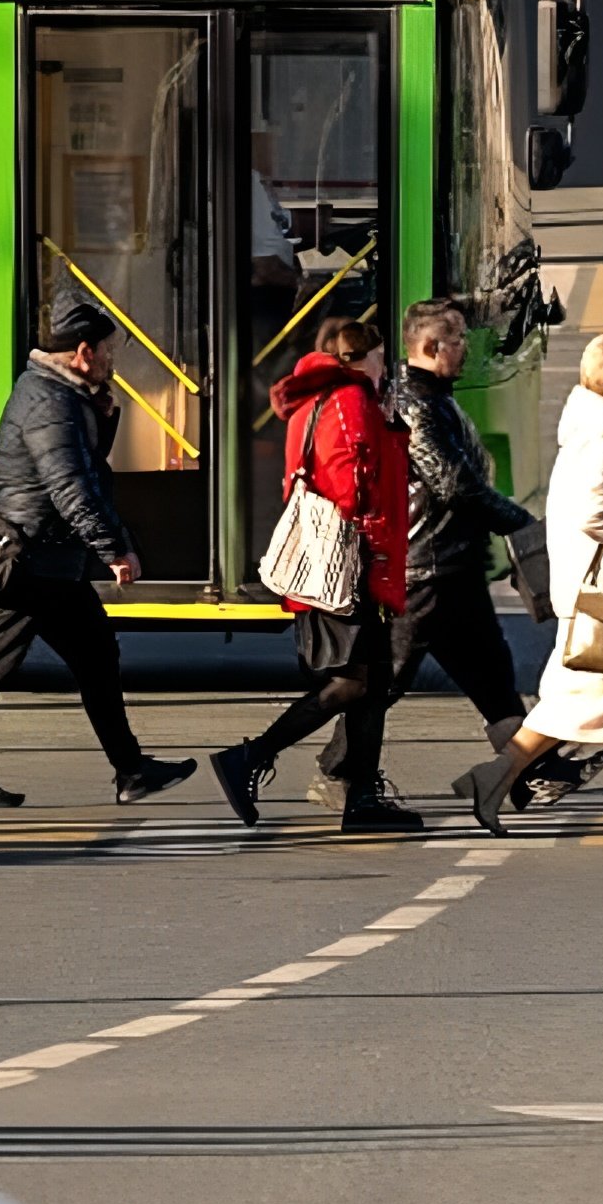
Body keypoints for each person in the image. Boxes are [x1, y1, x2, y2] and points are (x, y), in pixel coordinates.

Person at [0, 297, 196, 811]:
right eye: (107, 351)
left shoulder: (63, 394)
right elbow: (71, 487)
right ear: (83, 352)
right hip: (32, 560)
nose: (111, 360)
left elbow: (85, 470)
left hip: (51, 560)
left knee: (94, 656)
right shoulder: (48, 403)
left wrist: (104, 415)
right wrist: (114, 548)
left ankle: (131, 770)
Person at [313, 300, 544, 806]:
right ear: (431, 347)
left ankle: (527, 774)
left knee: (491, 672)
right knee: (386, 677)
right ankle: (336, 769)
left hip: (451, 561)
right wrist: (521, 521)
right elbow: (452, 482)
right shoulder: (416, 402)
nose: (467, 350)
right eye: (459, 340)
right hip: (426, 563)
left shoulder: (435, 394)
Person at [211, 323, 424, 835]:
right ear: (365, 358)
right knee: (351, 682)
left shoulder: (317, 397)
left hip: (340, 559)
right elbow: (354, 484)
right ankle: (251, 757)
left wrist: (391, 426)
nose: (385, 370)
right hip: (348, 562)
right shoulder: (349, 397)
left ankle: (364, 799)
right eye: (381, 359)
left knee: (372, 683)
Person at [452, 333, 603, 833]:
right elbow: (597, 511)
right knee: (590, 697)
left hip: (597, 587)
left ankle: (497, 774)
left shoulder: (600, 424)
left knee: (579, 696)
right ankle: (499, 773)